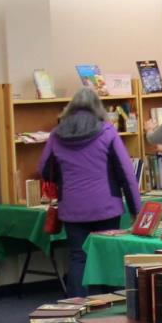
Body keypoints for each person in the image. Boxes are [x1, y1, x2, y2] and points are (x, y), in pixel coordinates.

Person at [37, 88, 140, 296]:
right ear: (97, 108)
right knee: (107, 255)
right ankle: (112, 306)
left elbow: (44, 169)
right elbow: (126, 172)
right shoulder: (107, 131)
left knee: (78, 257)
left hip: (72, 208)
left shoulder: (57, 135)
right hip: (106, 207)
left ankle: (75, 307)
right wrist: (136, 209)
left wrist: (63, 179)